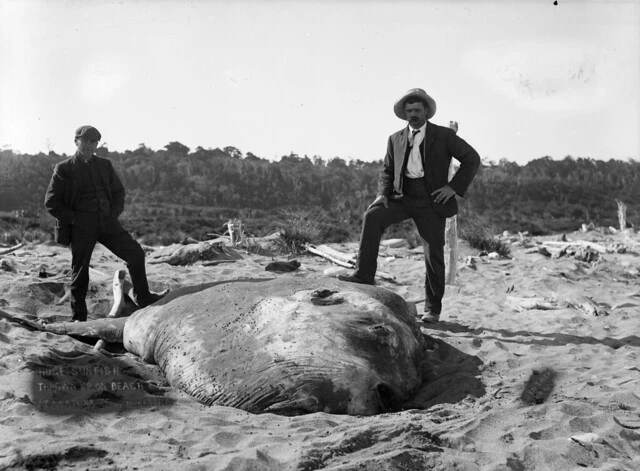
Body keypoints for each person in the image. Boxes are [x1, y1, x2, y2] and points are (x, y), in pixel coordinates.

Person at [338, 88, 480, 323]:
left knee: (433, 251)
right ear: (404, 114)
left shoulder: (444, 136)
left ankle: (432, 309)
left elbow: (472, 158)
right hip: (402, 196)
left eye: (417, 110)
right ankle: (364, 276)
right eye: (409, 111)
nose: (412, 114)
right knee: (372, 216)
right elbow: (387, 169)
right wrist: (383, 194)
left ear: (426, 112)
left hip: (432, 198)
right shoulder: (395, 138)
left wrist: (452, 187)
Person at [44, 125, 163, 321]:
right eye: (85, 140)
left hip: (106, 221)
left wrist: (112, 214)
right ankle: (78, 317)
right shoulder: (63, 168)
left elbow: (118, 193)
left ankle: (143, 298)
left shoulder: (104, 165)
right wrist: (74, 219)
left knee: (135, 253)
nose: (89, 145)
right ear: (76, 142)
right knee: (80, 271)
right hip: (81, 225)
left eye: (94, 141)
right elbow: (51, 202)